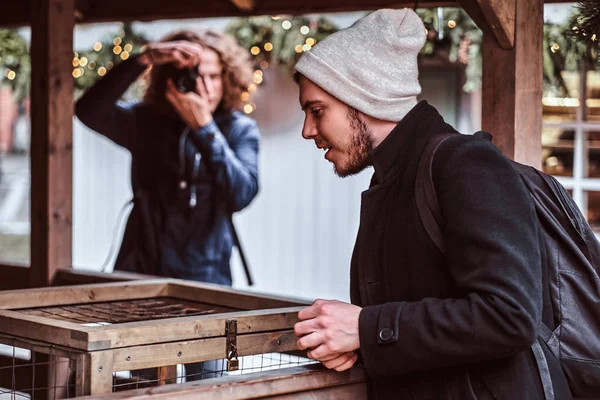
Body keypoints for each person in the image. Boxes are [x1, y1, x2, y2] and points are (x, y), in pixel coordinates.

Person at [292, 9, 573, 400]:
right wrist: (359, 346)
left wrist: (365, 328)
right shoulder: (391, 177)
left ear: (365, 94)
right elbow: (419, 319)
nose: (308, 131)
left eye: (317, 110)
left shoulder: (463, 162)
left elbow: (509, 316)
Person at [76, 29, 260, 380]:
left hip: (206, 284)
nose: (203, 85)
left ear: (227, 78)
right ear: (171, 80)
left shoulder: (239, 129)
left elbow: (242, 193)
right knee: (146, 386)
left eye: (213, 75)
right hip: (144, 276)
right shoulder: (147, 122)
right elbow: (88, 110)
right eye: (193, 75)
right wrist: (145, 59)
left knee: (208, 385)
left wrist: (204, 127)